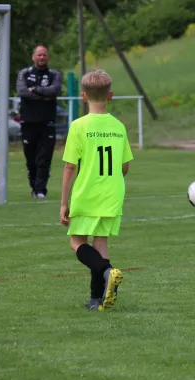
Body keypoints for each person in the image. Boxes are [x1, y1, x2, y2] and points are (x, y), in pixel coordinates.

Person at [60, 69, 134, 310]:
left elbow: (70, 166)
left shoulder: (79, 126)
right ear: (110, 95)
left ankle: (107, 271)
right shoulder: (118, 126)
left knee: (77, 242)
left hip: (88, 193)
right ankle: (96, 300)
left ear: (83, 96)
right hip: (112, 194)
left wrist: (63, 202)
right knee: (100, 243)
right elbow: (124, 167)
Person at [16, 44, 63, 199]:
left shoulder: (54, 74)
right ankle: (34, 187)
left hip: (47, 122)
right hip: (28, 122)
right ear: (33, 56)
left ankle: (41, 190)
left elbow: (54, 91)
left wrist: (35, 90)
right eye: (39, 55)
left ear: (48, 57)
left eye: (44, 55)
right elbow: (22, 92)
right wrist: (44, 95)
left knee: (44, 158)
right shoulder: (24, 73)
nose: (41, 57)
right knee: (31, 159)